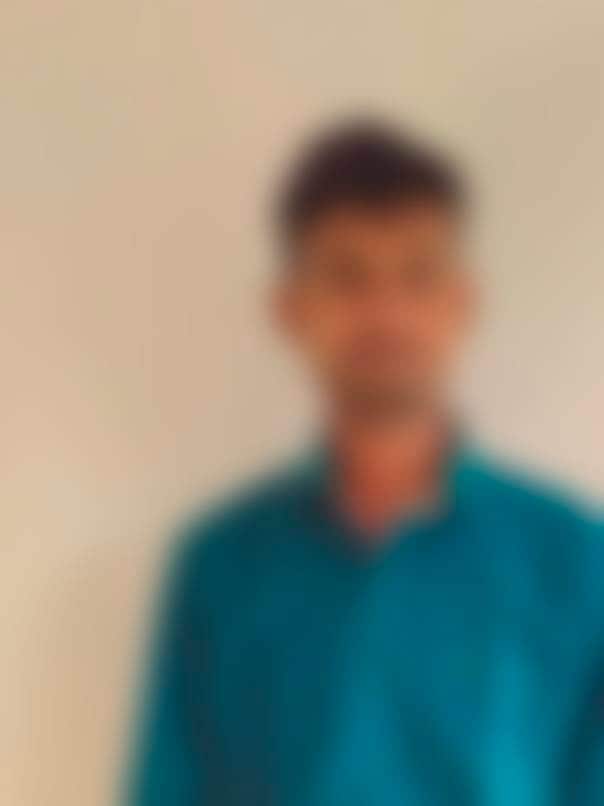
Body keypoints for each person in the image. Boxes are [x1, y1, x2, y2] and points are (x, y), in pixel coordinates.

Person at [125, 120, 603, 805]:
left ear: (462, 301)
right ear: (291, 308)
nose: (386, 311)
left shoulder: (575, 559)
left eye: (417, 274)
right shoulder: (224, 565)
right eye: (348, 277)